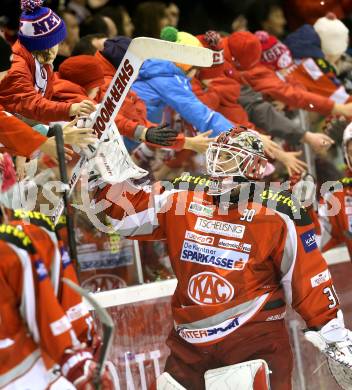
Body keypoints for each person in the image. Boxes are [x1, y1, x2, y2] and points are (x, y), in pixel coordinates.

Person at [93, 126, 352, 389]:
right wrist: (98, 167)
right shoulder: (183, 194)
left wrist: (332, 333)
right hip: (190, 345)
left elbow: (307, 274)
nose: (218, 165)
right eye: (216, 155)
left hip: (254, 341)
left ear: (254, 166)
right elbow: (121, 215)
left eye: (229, 158)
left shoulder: (280, 210)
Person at [0, 158, 114, 389]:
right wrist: (77, 360)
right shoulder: (18, 243)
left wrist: (77, 358)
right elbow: (49, 314)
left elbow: (56, 312)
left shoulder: (26, 238)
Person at [0, 0, 95, 124]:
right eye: (58, 43)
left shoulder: (41, 61)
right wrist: (70, 109)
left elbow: (49, 95)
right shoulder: (17, 68)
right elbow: (33, 106)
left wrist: (76, 105)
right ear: (46, 46)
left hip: (30, 126)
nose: (60, 47)